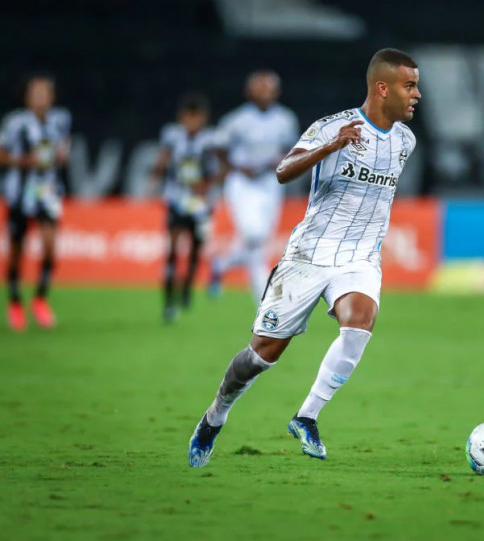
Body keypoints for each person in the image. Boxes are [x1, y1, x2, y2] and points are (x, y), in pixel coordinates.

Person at [188, 48, 421, 467]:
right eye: (410, 85)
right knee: (261, 356)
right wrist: (331, 146)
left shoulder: (405, 140)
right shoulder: (332, 126)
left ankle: (306, 416)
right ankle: (215, 415)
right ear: (382, 88)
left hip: (361, 258)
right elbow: (283, 170)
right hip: (309, 255)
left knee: (360, 323)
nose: (417, 94)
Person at [208, 71, 298, 302]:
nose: (265, 94)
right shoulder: (236, 119)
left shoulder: (285, 119)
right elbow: (219, 146)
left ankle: (223, 263)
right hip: (242, 182)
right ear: (250, 92)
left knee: (258, 242)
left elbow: (292, 149)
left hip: (269, 182)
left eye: (269, 89)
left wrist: (279, 162)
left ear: (277, 92)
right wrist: (232, 167)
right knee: (253, 234)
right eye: (260, 89)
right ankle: (264, 300)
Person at [1, 74, 71, 331]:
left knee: (51, 246)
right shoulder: (15, 123)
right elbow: (2, 155)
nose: (41, 97)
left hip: (48, 191)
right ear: (27, 97)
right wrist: (25, 162)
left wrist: (62, 155)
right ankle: (16, 301)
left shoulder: (60, 121)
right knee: (17, 251)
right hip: (20, 192)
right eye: (36, 92)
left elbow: (62, 150)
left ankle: (40, 298)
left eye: (46, 92)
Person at [151, 92, 219, 322]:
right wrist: (156, 174)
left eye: (196, 118)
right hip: (177, 199)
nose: (192, 123)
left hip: (199, 203)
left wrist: (206, 186)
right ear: (182, 118)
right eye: (188, 118)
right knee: (172, 248)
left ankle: (187, 285)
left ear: (203, 118)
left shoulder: (208, 141)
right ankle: (169, 300)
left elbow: (214, 170)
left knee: (195, 250)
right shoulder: (172, 136)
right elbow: (162, 160)